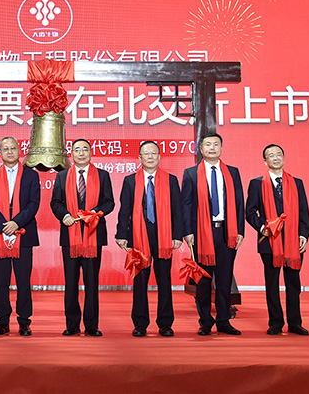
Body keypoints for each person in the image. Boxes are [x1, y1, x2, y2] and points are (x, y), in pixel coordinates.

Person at [115, 141, 183, 337]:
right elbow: (124, 210)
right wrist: (121, 234)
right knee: (140, 281)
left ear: (159, 157)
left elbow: (177, 210)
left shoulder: (170, 180)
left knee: (164, 281)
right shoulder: (130, 181)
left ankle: (165, 324)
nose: (150, 156)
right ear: (140, 157)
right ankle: (140, 323)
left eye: (154, 153)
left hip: (164, 235)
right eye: (146, 153)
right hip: (138, 235)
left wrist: (177, 235)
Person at [181, 133, 244, 336]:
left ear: (221, 148)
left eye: (216, 144)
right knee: (203, 281)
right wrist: (187, 232)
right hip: (201, 234)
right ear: (201, 149)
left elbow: (239, 203)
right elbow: (186, 205)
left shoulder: (232, 172)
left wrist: (240, 231)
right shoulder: (191, 174)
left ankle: (224, 321)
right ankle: (205, 321)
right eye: (208, 144)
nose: (212, 148)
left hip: (226, 232)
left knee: (224, 280)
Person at [50, 139, 115, 337]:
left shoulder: (102, 175)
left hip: (93, 235)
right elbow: (55, 202)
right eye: (77, 149)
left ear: (90, 153)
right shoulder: (62, 176)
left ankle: (91, 325)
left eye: (85, 149)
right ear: (71, 154)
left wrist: (95, 212)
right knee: (71, 282)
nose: (81, 153)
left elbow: (109, 202)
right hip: (70, 237)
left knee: (91, 282)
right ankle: (72, 325)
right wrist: (64, 216)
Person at [245, 144, 309, 335]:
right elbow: (250, 212)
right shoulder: (257, 184)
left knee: (293, 283)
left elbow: (304, 212)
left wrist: (303, 235)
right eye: (271, 155)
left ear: (283, 157)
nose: (275, 158)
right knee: (272, 283)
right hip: (269, 240)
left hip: (293, 241)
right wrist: (262, 228)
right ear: (265, 161)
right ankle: (275, 322)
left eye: (279, 154)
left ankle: (295, 323)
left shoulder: (297, 183)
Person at [0, 137, 40, 336]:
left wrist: (16, 223)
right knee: (1, 281)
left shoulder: (31, 176)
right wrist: (3, 226)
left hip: (24, 234)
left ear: (19, 151)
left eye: (13, 148)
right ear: (0, 152)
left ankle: (24, 321)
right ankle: (2, 321)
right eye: (5, 148)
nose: (9, 151)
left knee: (23, 281)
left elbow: (34, 203)